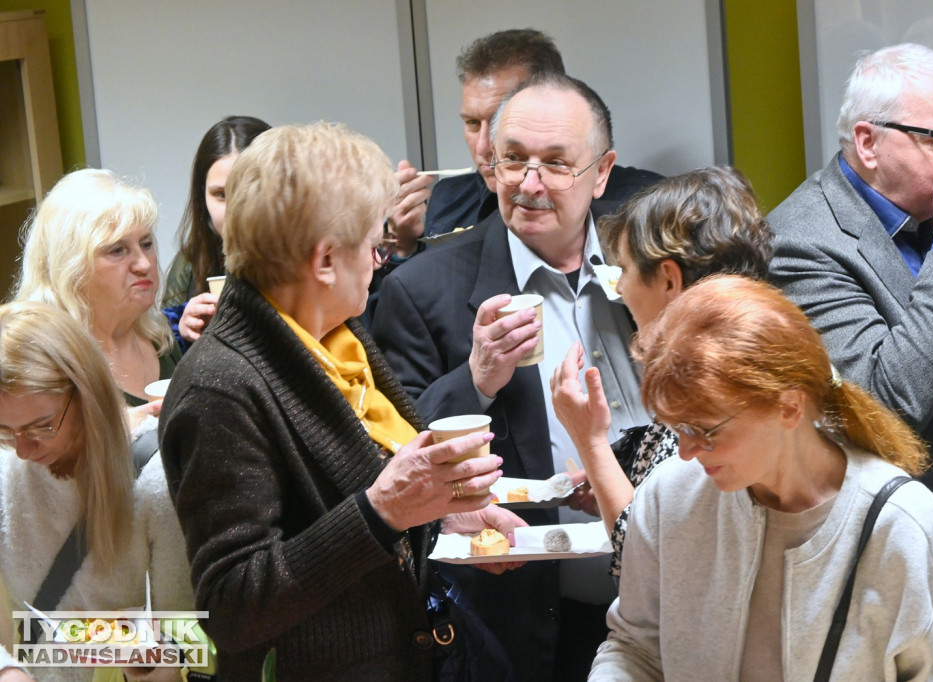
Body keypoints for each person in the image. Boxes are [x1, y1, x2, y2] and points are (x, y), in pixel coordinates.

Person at [158, 122, 520, 680]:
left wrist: (442, 519)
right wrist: (386, 510)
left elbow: (348, 504)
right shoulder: (219, 386)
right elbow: (232, 606)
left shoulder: (337, 334)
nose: (380, 263)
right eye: (374, 246)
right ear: (324, 261)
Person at [375, 72, 647, 682]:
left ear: (601, 173)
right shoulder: (421, 290)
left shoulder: (651, 264)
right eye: (514, 160)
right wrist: (476, 379)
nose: (529, 184)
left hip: (669, 602)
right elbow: (391, 451)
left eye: (556, 164)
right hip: (524, 623)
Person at [590, 275, 933, 680]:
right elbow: (634, 647)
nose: (686, 451)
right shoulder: (671, 493)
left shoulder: (902, 524)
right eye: (678, 428)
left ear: (789, 408)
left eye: (706, 430)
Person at [768, 43, 933, 500]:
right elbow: (881, 410)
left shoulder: (929, 211)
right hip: (897, 531)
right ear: (868, 143)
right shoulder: (798, 245)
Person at [550, 167, 773, 576]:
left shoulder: (711, 386)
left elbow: (645, 563)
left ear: (669, 279)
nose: (618, 289)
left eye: (626, 272)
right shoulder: (758, 356)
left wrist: (590, 442)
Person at [0, 302, 200, 682]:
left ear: (86, 396)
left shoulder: (156, 478)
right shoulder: (6, 459)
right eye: (6, 430)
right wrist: (8, 668)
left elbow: (187, 637)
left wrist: (154, 657)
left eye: (42, 426)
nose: (23, 451)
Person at [385, 28, 661, 267]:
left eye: (498, 121)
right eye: (471, 122)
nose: (483, 146)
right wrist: (402, 248)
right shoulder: (444, 202)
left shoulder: (643, 205)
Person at [16, 169, 179, 409]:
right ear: (70, 267)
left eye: (146, 244)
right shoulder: (47, 366)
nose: (144, 264)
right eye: (117, 250)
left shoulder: (160, 337)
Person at [162, 115, 271, 351]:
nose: (234, 210)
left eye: (248, 192)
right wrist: (181, 332)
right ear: (203, 198)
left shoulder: (310, 259)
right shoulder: (190, 263)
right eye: (221, 195)